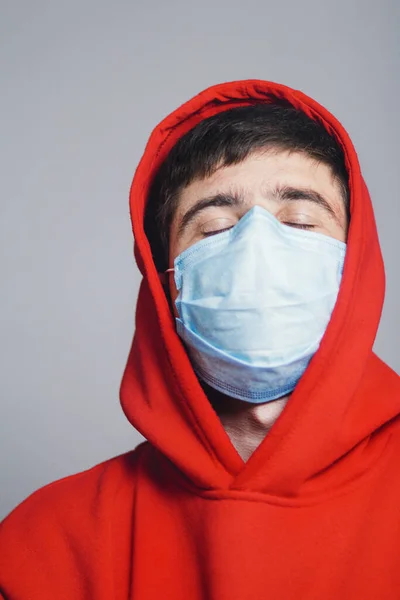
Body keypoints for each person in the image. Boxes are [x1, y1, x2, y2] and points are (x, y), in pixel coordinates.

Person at [0, 79, 399, 599]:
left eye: (300, 220)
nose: (257, 251)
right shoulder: (50, 542)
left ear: (358, 263)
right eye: (213, 229)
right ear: (167, 284)